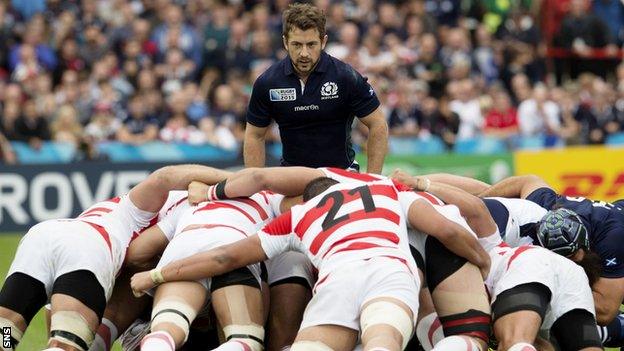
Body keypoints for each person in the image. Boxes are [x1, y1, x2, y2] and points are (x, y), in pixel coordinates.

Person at [132, 176, 490, 351]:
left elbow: (225, 257)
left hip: (337, 280)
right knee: (381, 342)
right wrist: (484, 261)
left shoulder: (298, 215)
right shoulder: (387, 190)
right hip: (388, 270)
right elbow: (446, 229)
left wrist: (157, 274)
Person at [0, 165, 230, 351]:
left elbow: (54, 307)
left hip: (42, 237)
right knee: (65, 345)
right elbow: (165, 177)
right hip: (89, 247)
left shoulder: (113, 209)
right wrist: (233, 178)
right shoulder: (158, 209)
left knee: (5, 333)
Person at [404, 177, 602, 351]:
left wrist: (423, 183)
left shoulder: (480, 245)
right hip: (571, 276)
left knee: (515, 343)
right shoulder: (571, 262)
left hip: (525, 265)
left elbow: (476, 209)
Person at [244, 3, 388, 173]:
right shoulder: (267, 82)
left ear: (323, 41)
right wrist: (254, 188)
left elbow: (378, 124)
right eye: (297, 45)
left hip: (342, 176)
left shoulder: (345, 77)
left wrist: (373, 180)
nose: (304, 53)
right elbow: (254, 135)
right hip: (291, 178)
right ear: (285, 42)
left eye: (311, 45)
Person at [479, 174, 624, 326]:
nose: (576, 259)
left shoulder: (612, 241)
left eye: (573, 254)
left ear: (585, 240)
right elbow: (527, 181)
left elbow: (605, 311)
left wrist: (542, 290)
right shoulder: (545, 208)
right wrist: (481, 202)